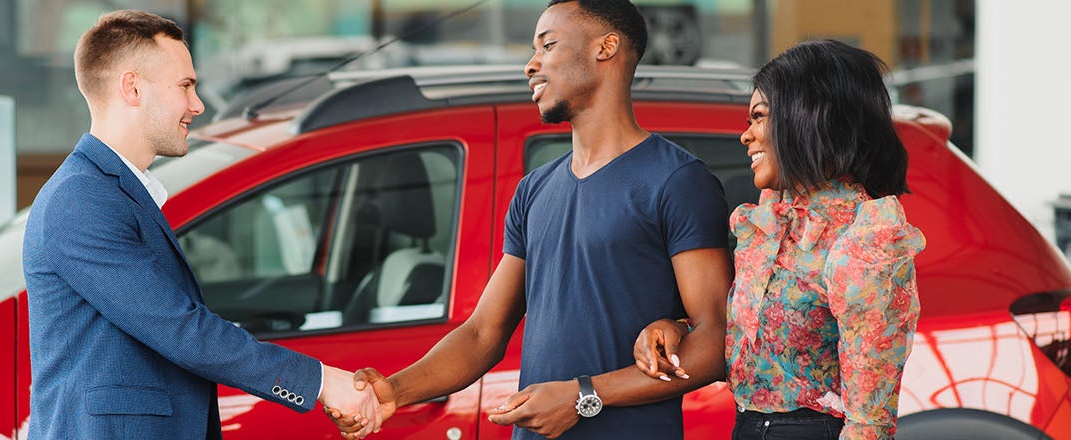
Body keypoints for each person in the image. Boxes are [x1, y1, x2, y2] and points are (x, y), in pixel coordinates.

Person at [338, 1, 734, 439]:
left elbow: (714, 343)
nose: (531, 65)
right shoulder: (534, 191)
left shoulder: (677, 181)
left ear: (606, 48)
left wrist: (584, 396)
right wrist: (394, 390)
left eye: (548, 45)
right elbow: (481, 335)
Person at [22, 10, 379, 440]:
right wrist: (320, 382)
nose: (198, 104)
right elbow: (180, 328)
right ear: (132, 88)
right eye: (186, 86)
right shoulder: (81, 199)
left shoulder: (111, 192)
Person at [631, 39, 926, 440]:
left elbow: (869, 422)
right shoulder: (772, 220)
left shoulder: (865, 238)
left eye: (758, 117)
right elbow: (754, 334)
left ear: (806, 117)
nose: (745, 136)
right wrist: (675, 328)